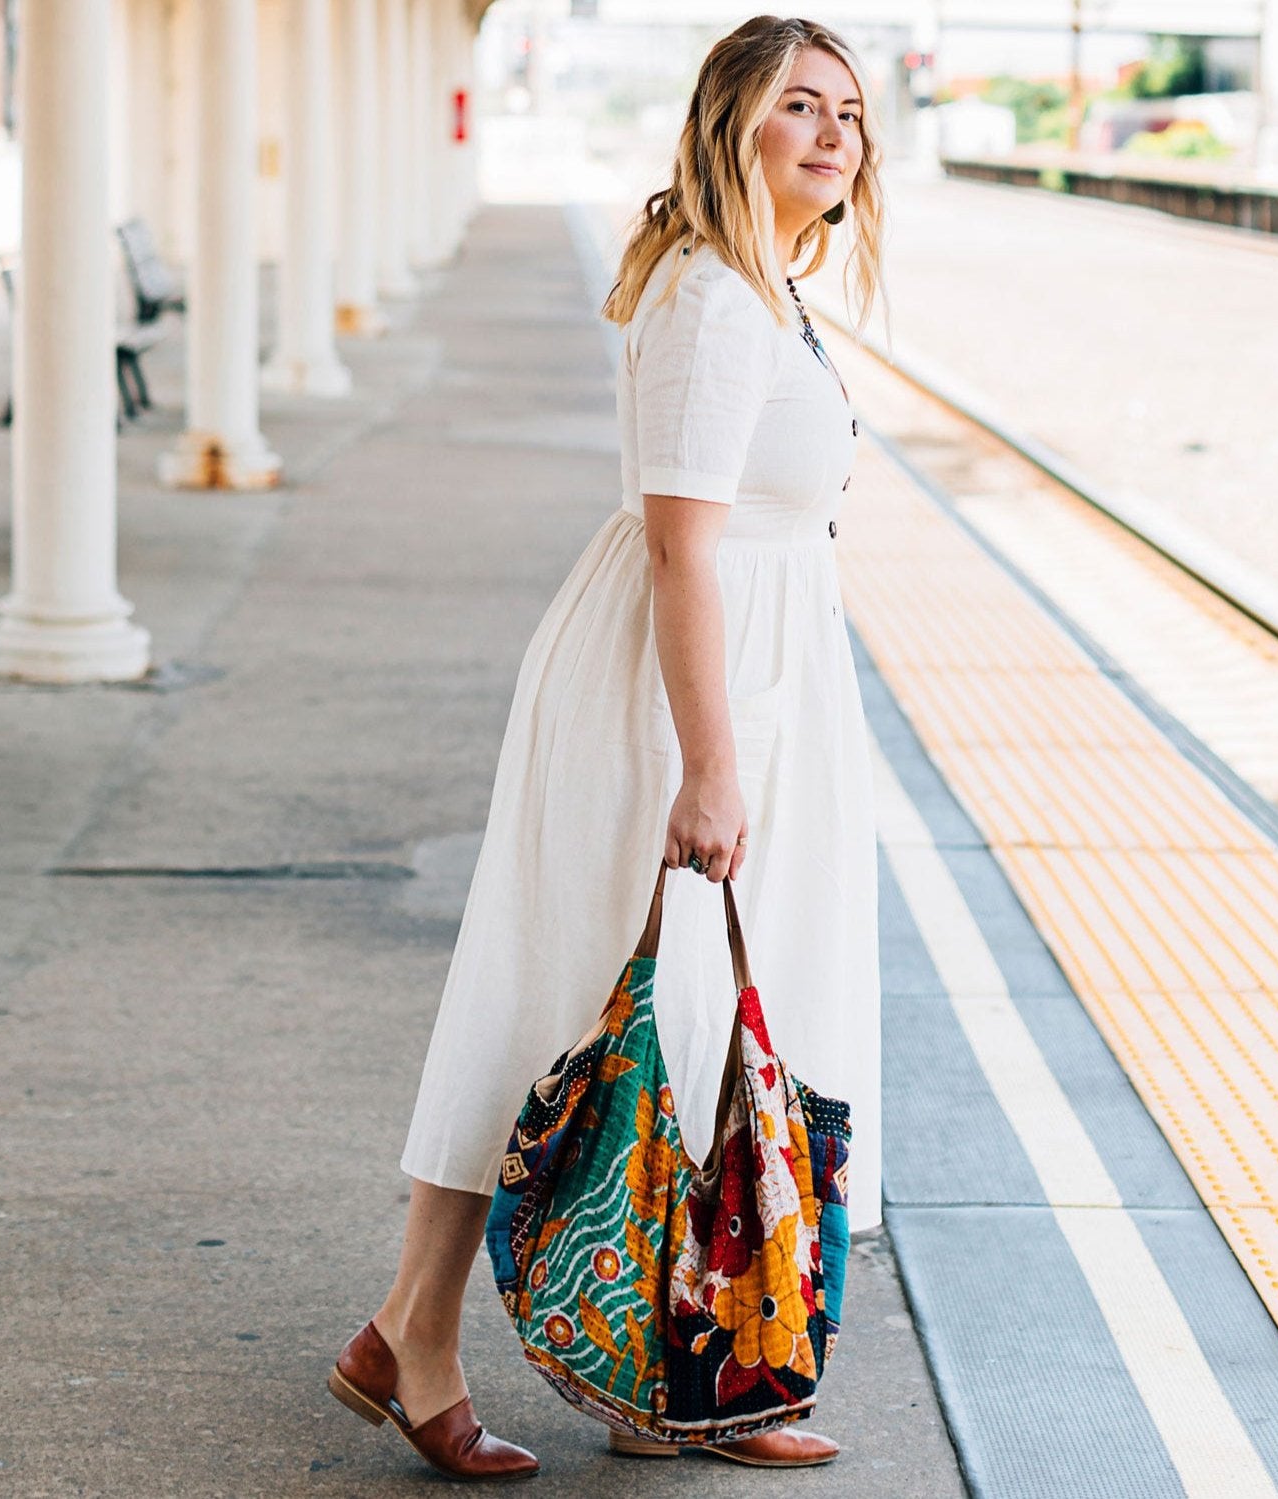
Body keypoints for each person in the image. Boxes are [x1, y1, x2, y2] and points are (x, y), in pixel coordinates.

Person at [326, 13, 887, 1481]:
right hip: (682, 684)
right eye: (798, 107)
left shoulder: (771, 290)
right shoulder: (712, 297)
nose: (834, 133)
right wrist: (712, 760)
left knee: (682, 1019)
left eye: (850, 110)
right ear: (731, 126)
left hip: (751, 672)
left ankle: (672, 1380)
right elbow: (682, 546)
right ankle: (415, 1333)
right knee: (561, 1005)